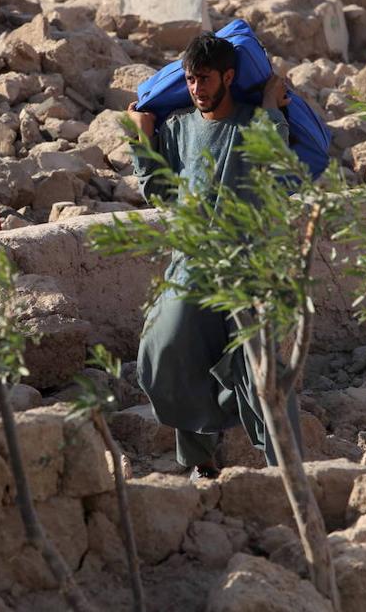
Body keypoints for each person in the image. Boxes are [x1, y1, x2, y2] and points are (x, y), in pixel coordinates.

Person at [126, 31, 295, 481]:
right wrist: (140, 142)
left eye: (204, 78)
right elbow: (160, 192)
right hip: (192, 263)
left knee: (258, 369)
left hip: (249, 266)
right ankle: (201, 462)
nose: (197, 87)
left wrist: (272, 112)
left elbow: (284, 177)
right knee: (167, 349)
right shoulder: (180, 129)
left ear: (228, 77)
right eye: (189, 80)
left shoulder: (254, 124)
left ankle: (286, 471)